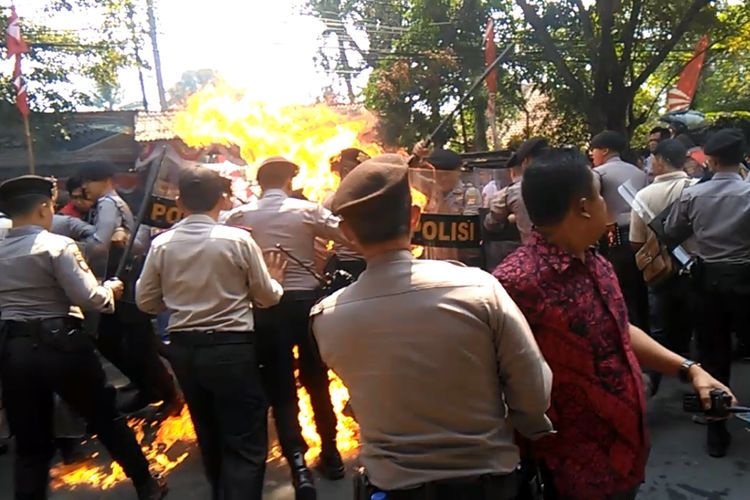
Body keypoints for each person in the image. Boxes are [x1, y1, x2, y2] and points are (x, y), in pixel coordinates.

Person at [493, 149, 735, 499]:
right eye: (601, 197)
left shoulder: (597, 263)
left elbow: (619, 329)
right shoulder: (515, 283)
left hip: (625, 455)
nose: (607, 206)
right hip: (569, 470)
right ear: (584, 207)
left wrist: (690, 369)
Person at [311, 154, 553, 499]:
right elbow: (533, 392)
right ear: (414, 217)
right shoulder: (480, 289)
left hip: (394, 489)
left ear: (347, 232)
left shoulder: (326, 318)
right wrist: (528, 426)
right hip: (490, 483)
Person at [0, 175, 166, 500]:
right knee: (105, 418)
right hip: (61, 345)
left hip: (13, 349)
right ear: (44, 208)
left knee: (30, 442)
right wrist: (111, 290)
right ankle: (146, 485)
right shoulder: (57, 245)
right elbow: (90, 299)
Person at [136, 166, 285, 499]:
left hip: (186, 350)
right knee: (245, 442)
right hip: (231, 348)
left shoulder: (162, 244)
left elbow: (145, 302)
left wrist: (178, 302)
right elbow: (266, 297)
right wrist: (276, 279)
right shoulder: (237, 240)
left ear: (179, 200)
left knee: (209, 434)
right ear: (222, 199)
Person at [225, 156, 350, 497]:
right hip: (306, 306)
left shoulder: (238, 216)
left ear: (260, 183)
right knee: (316, 379)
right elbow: (347, 235)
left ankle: (298, 466)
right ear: (289, 181)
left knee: (280, 386)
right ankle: (332, 454)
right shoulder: (306, 211)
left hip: (265, 307)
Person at [664, 128, 750, 457]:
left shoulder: (693, 196)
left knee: (713, 357)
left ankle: (717, 431)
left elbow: (672, 231)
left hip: (708, 282)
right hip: (746, 279)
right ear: (740, 158)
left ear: (710, 160)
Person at [79, 162, 180, 417]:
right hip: (119, 282)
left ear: (104, 181)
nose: (85, 189)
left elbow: (100, 244)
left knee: (137, 343)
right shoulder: (110, 204)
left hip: (122, 284)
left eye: (88, 182)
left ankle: (168, 394)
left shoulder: (108, 204)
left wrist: (76, 246)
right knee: (120, 341)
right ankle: (150, 387)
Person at [629, 139, 698, 395]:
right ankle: (699, 389)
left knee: (658, 329)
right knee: (696, 330)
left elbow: (636, 241)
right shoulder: (697, 188)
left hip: (660, 273)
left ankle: (650, 387)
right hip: (696, 271)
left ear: (660, 160)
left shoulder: (644, 195)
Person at [591, 130, 650, 332]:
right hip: (643, 233)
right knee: (642, 288)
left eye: (594, 150)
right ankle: (648, 332)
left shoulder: (598, 174)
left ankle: (629, 334)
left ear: (605, 150)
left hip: (613, 234)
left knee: (621, 287)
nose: (592, 154)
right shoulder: (639, 172)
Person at [485, 137, 548, 244]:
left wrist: (511, 219)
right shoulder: (572, 184)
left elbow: (490, 224)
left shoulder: (512, 192)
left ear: (526, 162)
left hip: (535, 254)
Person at [322, 148, 371, 278]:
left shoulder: (330, 199)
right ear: (346, 171)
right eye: (362, 171)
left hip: (365, 264)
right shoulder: (334, 201)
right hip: (351, 266)